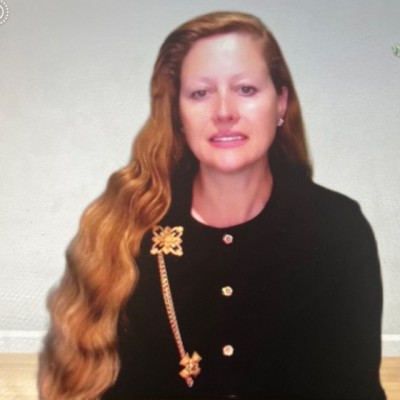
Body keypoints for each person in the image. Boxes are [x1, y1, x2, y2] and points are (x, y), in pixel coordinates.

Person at [39, 11, 386, 400]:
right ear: (177, 113)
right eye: (200, 93)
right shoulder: (124, 228)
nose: (224, 112)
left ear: (281, 103)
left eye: (246, 89)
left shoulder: (338, 229)